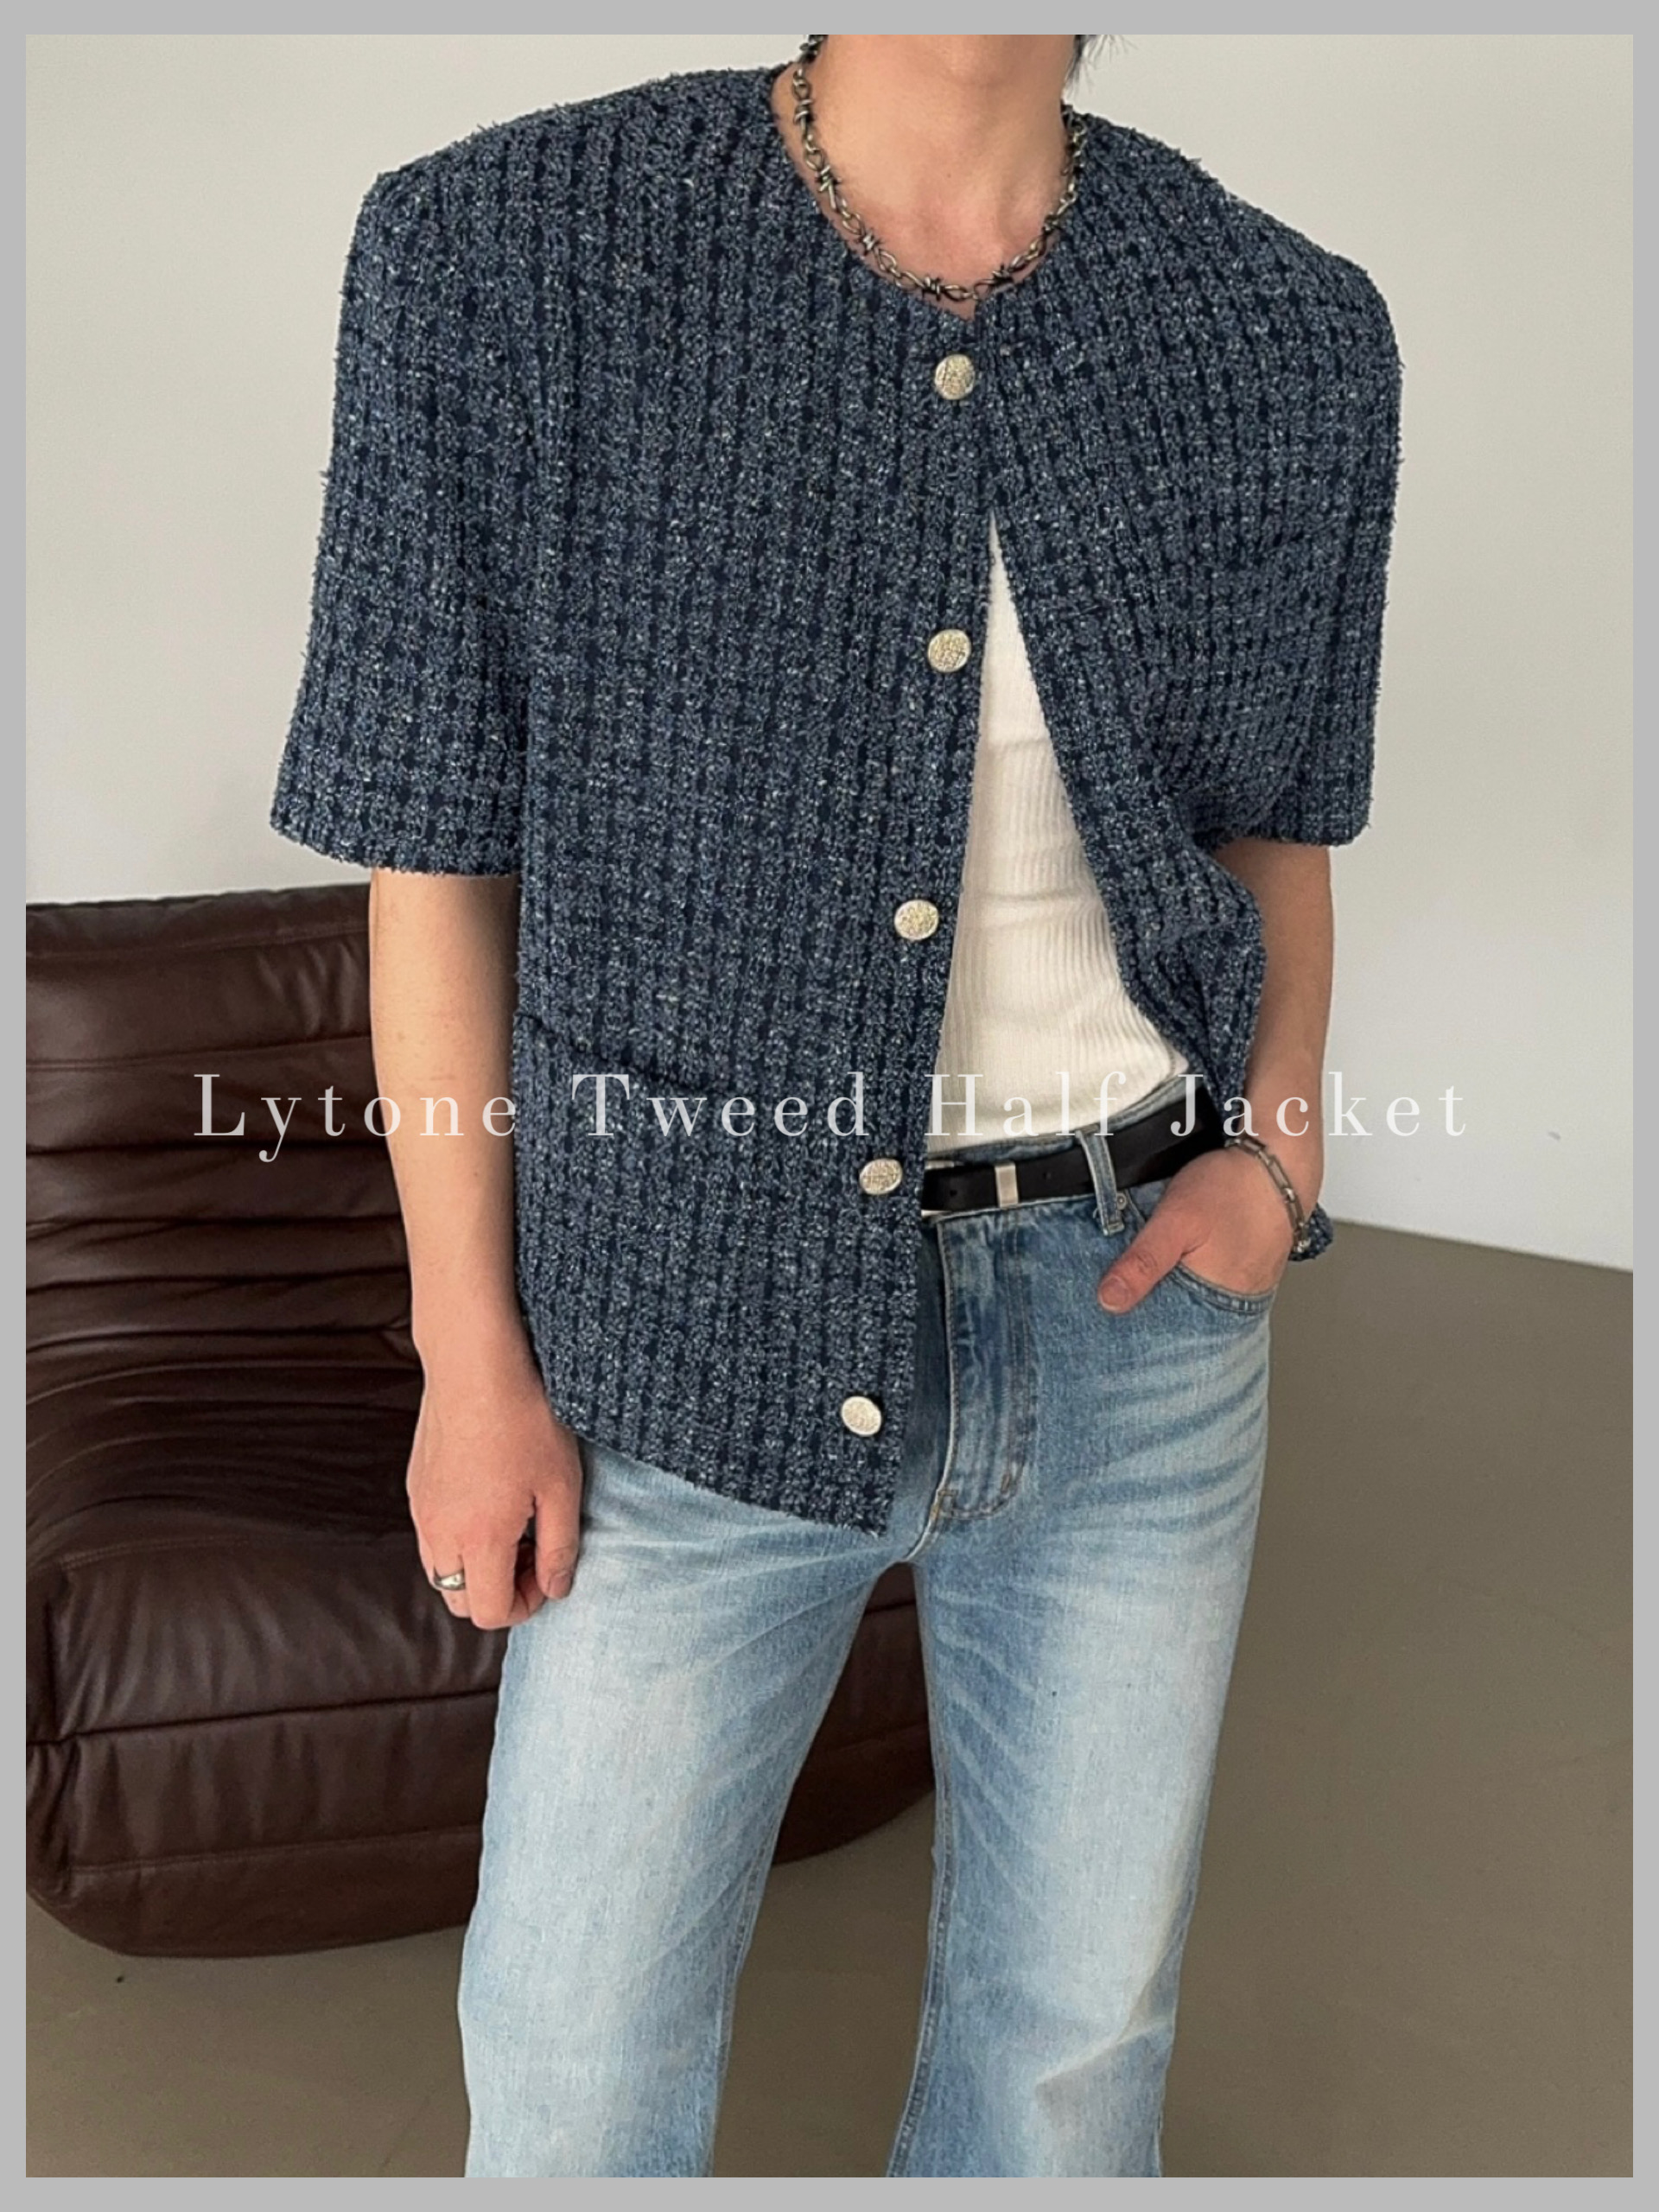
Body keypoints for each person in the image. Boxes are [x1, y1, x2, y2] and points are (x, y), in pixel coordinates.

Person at [270, 33, 1402, 2177]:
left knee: (1069, 2052)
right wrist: (470, 1357)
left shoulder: (1283, 322)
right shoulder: (505, 251)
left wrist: (1277, 1154)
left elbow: (1280, 821)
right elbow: (433, 857)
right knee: (577, 2054)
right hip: (683, 1314)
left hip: (1138, 1319)